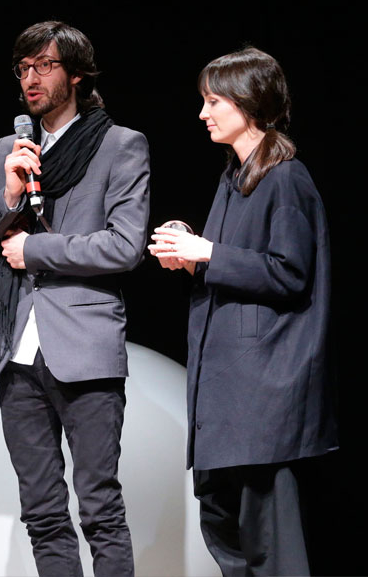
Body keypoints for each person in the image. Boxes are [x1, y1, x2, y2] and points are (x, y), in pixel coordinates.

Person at [0, 20, 149, 576]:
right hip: (17, 353)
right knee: (42, 514)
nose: (31, 78)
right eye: (23, 69)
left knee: (99, 509)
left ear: (77, 74)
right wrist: (10, 194)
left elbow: (125, 245)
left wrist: (37, 249)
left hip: (85, 348)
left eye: (44, 65)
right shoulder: (8, 150)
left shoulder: (120, 144)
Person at [149, 47, 336, 575]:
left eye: (213, 101)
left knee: (269, 542)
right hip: (228, 394)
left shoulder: (286, 179)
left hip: (261, 396)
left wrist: (208, 253)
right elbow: (240, 265)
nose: (203, 113)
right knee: (225, 527)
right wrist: (191, 252)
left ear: (248, 103)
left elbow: (289, 271)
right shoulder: (235, 178)